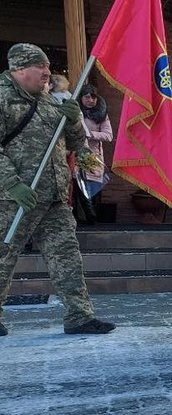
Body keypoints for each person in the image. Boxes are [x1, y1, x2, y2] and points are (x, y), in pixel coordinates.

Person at [0, 43, 115, 336]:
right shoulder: (2, 99)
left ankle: (79, 316)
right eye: (42, 67)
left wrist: (75, 119)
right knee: (3, 256)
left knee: (67, 255)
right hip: (16, 199)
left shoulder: (50, 102)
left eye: (49, 68)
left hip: (53, 196)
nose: (48, 73)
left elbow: (74, 144)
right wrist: (13, 184)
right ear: (20, 69)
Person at [77, 85, 112, 200]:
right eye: (87, 97)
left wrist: (91, 134)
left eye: (93, 98)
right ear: (81, 98)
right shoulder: (76, 112)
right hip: (75, 158)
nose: (91, 100)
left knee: (92, 198)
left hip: (92, 158)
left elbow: (109, 135)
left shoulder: (101, 113)